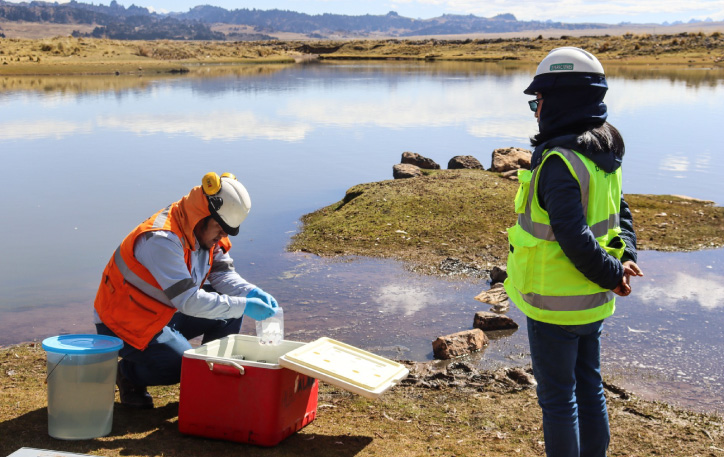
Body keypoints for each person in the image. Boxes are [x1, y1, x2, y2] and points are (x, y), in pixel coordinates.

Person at [503, 47, 644, 457]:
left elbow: (574, 236)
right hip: (592, 305)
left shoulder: (559, 160)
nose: (535, 111)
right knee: (589, 389)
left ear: (560, 100)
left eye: (539, 101)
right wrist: (624, 259)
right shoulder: (604, 154)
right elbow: (621, 213)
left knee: (558, 400)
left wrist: (613, 274)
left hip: (554, 306)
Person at [94, 172, 279, 408]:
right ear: (203, 216)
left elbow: (222, 274)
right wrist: (245, 304)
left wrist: (250, 292)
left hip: (164, 312)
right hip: (125, 322)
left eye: (227, 231)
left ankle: (209, 379)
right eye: (220, 229)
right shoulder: (161, 239)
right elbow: (189, 301)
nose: (222, 236)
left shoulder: (205, 233)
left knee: (230, 310)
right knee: (182, 365)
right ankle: (127, 374)